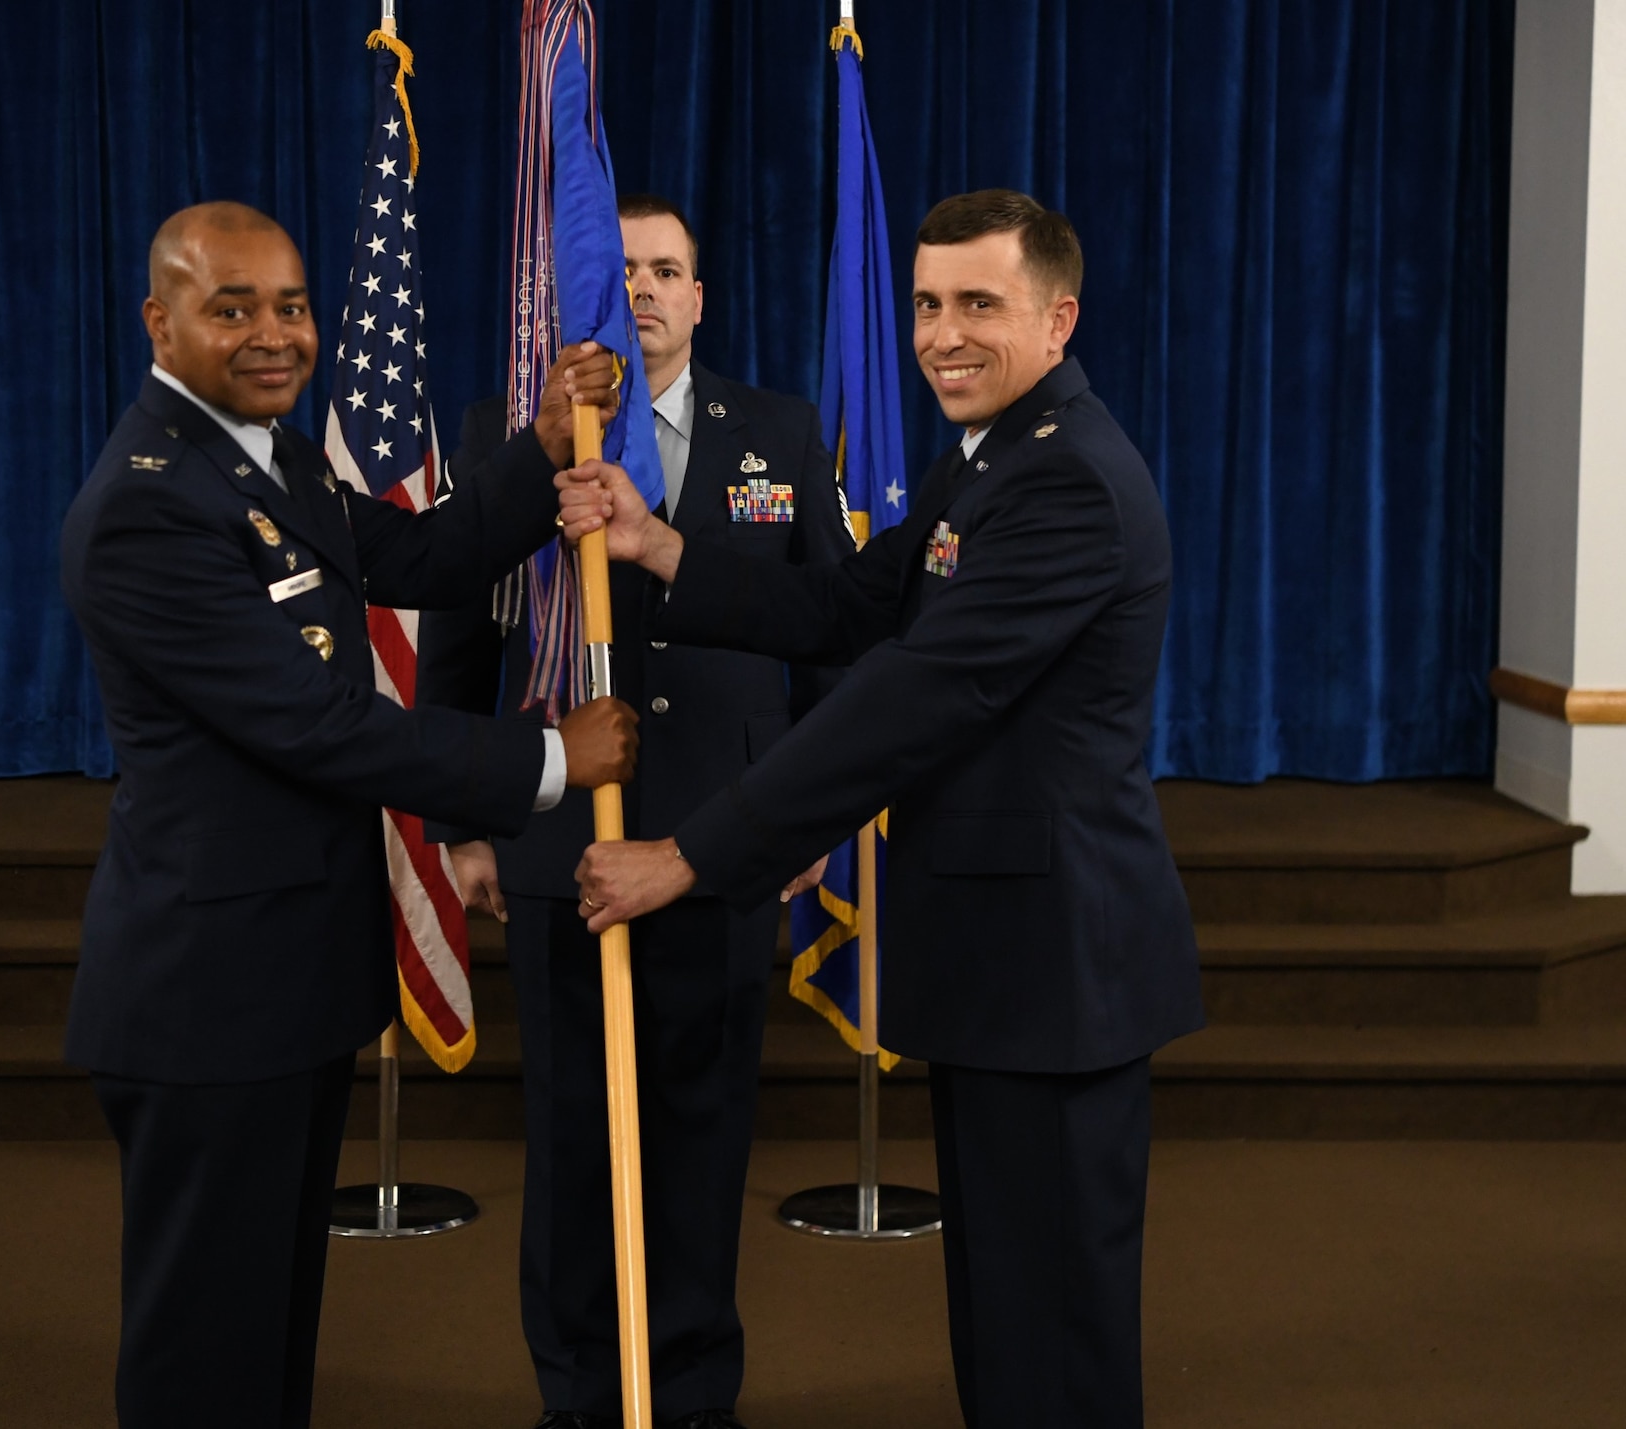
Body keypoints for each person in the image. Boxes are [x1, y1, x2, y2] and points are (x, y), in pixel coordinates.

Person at [562, 189, 1205, 1429]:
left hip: (1054, 968)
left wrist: (693, 853)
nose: (942, 333)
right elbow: (847, 604)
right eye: (925, 302)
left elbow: (912, 695)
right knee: (1008, 1311)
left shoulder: (1062, 483)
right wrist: (660, 549)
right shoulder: (997, 460)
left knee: (1052, 1329)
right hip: (1007, 963)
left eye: (979, 303)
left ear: (1058, 318)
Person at [59, 201, 638, 1429]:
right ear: (158, 322)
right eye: (233, 309)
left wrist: (537, 450)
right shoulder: (152, 503)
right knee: (201, 1346)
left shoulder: (269, 458)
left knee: (266, 1323)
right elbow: (318, 726)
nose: (276, 336)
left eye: (292, 306)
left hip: (286, 979)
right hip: (205, 996)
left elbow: (423, 562)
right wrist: (547, 759)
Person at [416, 194, 853, 1429]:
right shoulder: (509, 436)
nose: (646, 291)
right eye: (624, 272)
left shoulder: (776, 428)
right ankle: (576, 1394)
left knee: (704, 1140)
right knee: (566, 1146)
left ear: (699, 297)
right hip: (560, 844)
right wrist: (462, 825)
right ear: (580, 298)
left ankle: (693, 1392)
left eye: (668, 270)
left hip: (726, 843)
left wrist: (805, 822)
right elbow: (456, 645)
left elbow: (828, 648)